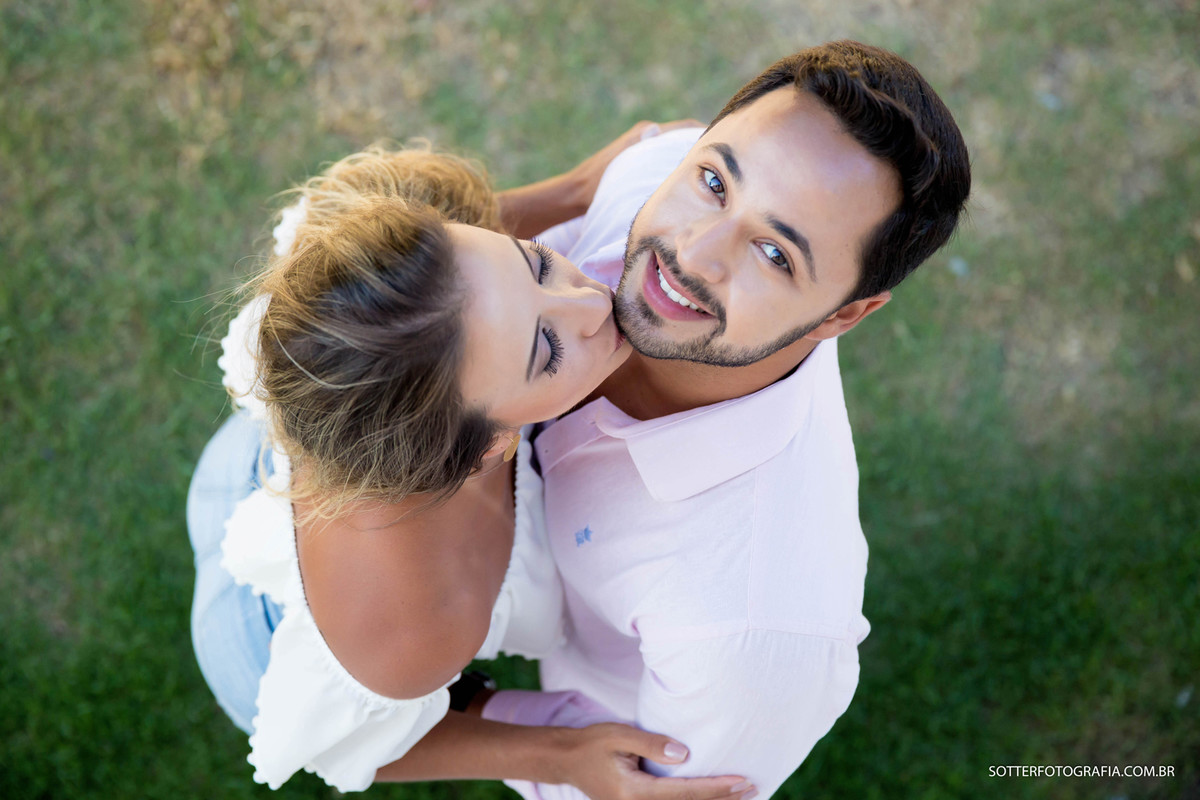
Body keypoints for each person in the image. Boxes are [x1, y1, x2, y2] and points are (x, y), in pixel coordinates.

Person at [475, 40, 971, 799]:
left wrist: (507, 734)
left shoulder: (749, 632)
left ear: (844, 315)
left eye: (775, 254)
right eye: (714, 181)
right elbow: (456, 268)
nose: (692, 254)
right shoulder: (652, 172)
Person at [187, 135, 751, 798]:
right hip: (262, 639)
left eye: (536, 264)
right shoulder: (415, 629)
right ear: (487, 447)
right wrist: (564, 757)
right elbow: (358, 750)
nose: (594, 302)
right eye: (545, 350)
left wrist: (581, 187)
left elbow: (470, 266)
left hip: (252, 464)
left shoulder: (390, 304)